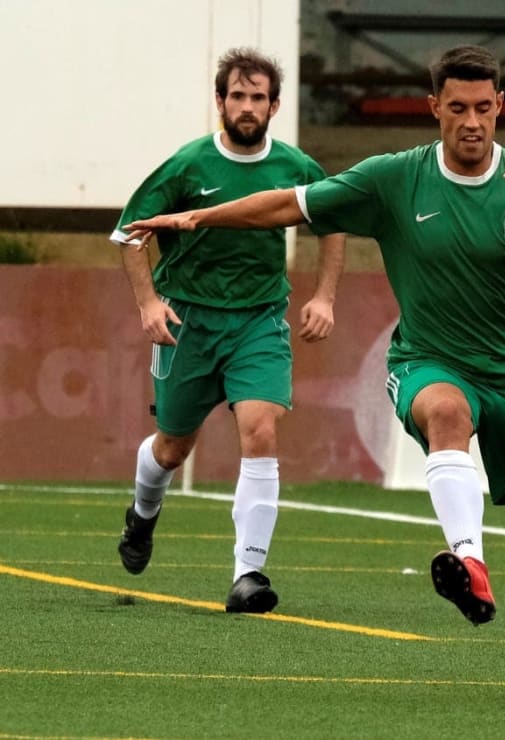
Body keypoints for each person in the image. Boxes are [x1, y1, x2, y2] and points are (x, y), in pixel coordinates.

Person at [125, 45, 505, 701]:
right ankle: (468, 557)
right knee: (444, 413)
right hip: (429, 361)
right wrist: (199, 216)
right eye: (457, 108)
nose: (472, 122)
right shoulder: (392, 179)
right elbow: (285, 205)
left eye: (484, 109)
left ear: (500, 108)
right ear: (434, 108)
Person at [110, 48, 346, 614]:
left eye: (257, 97)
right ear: (219, 102)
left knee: (261, 430)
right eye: (236, 96)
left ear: (275, 105)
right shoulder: (188, 165)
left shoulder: (297, 168)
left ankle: (249, 573)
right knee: (172, 448)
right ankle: (142, 515)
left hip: (260, 320)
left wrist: (323, 295)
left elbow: (332, 223)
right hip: (187, 321)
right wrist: (147, 303)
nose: (246, 107)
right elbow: (128, 233)